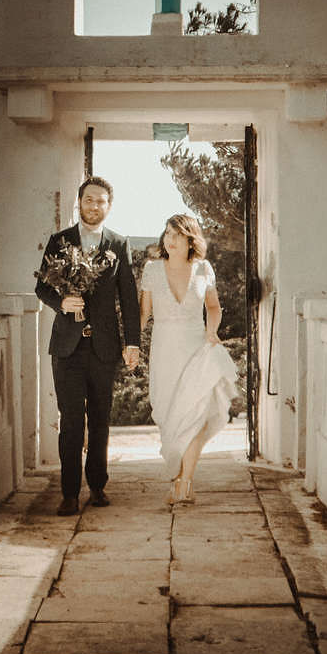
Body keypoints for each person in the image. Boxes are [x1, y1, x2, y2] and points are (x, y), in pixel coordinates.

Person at [35, 176, 141, 515]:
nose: (94, 206)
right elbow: (42, 287)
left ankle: (97, 486)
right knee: (70, 421)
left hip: (104, 347)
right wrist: (61, 302)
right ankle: (69, 492)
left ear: (109, 206)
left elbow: (128, 297)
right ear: (79, 202)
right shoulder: (59, 241)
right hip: (67, 347)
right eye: (89, 199)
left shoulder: (119, 244)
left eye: (101, 201)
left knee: (99, 419)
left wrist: (133, 342)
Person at [140, 212, 237, 505]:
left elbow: (214, 307)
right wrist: (129, 346)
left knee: (195, 416)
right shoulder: (152, 270)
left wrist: (211, 331)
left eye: (178, 235)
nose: (170, 240)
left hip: (196, 349)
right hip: (164, 352)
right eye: (168, 234)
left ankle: (185, 482)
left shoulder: (203, 269)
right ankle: (178, 477)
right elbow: (143, 315)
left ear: (190, 240)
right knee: (169, 416)